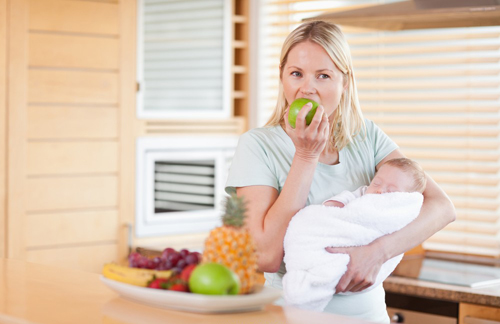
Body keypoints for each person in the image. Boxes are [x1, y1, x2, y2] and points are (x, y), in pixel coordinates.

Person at [225, 21, 455, 323]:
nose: (307, 88)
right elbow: (265, 256)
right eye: (296, 74)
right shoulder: (257, 146)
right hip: (296, 313)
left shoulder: (366, 136)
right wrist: (306, 155)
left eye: (323, 75)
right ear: (282, 77)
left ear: (344, 82)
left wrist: (377, 252)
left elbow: (442, 207)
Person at [324, 157, 427, 208]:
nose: (380, 190)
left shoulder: (400, 210)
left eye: (390, 191)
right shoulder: (364, 193)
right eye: (376, 183)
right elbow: (348, 196)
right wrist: (337, 203)